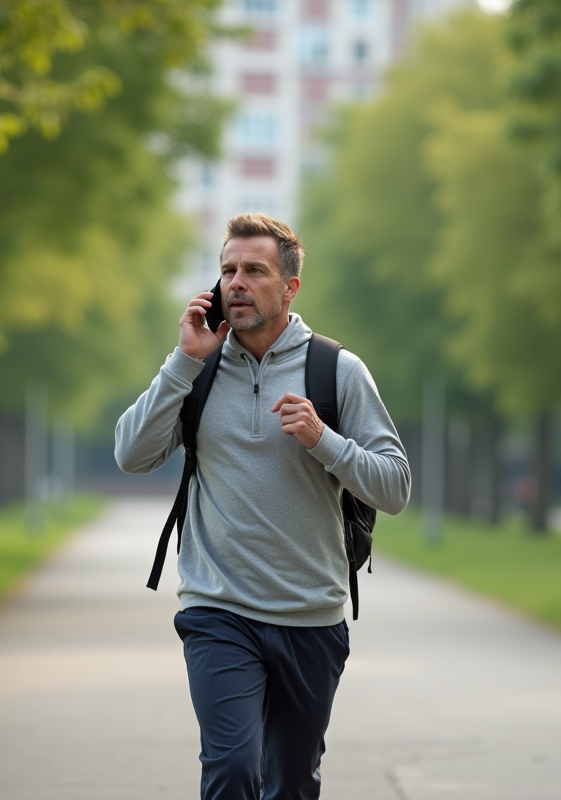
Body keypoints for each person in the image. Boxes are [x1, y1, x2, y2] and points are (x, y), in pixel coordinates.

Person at [115, 212, 411, 800]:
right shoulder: (196, 370)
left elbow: (395, 486)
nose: (237, 283)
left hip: (311, 616)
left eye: (254, 270)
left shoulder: (337, 371)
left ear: (290, 286)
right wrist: (184, 361)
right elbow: (131, 454)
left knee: (292, 784)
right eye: (228, 270)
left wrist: (324, 440)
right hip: (218, 610)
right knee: (230, 769)